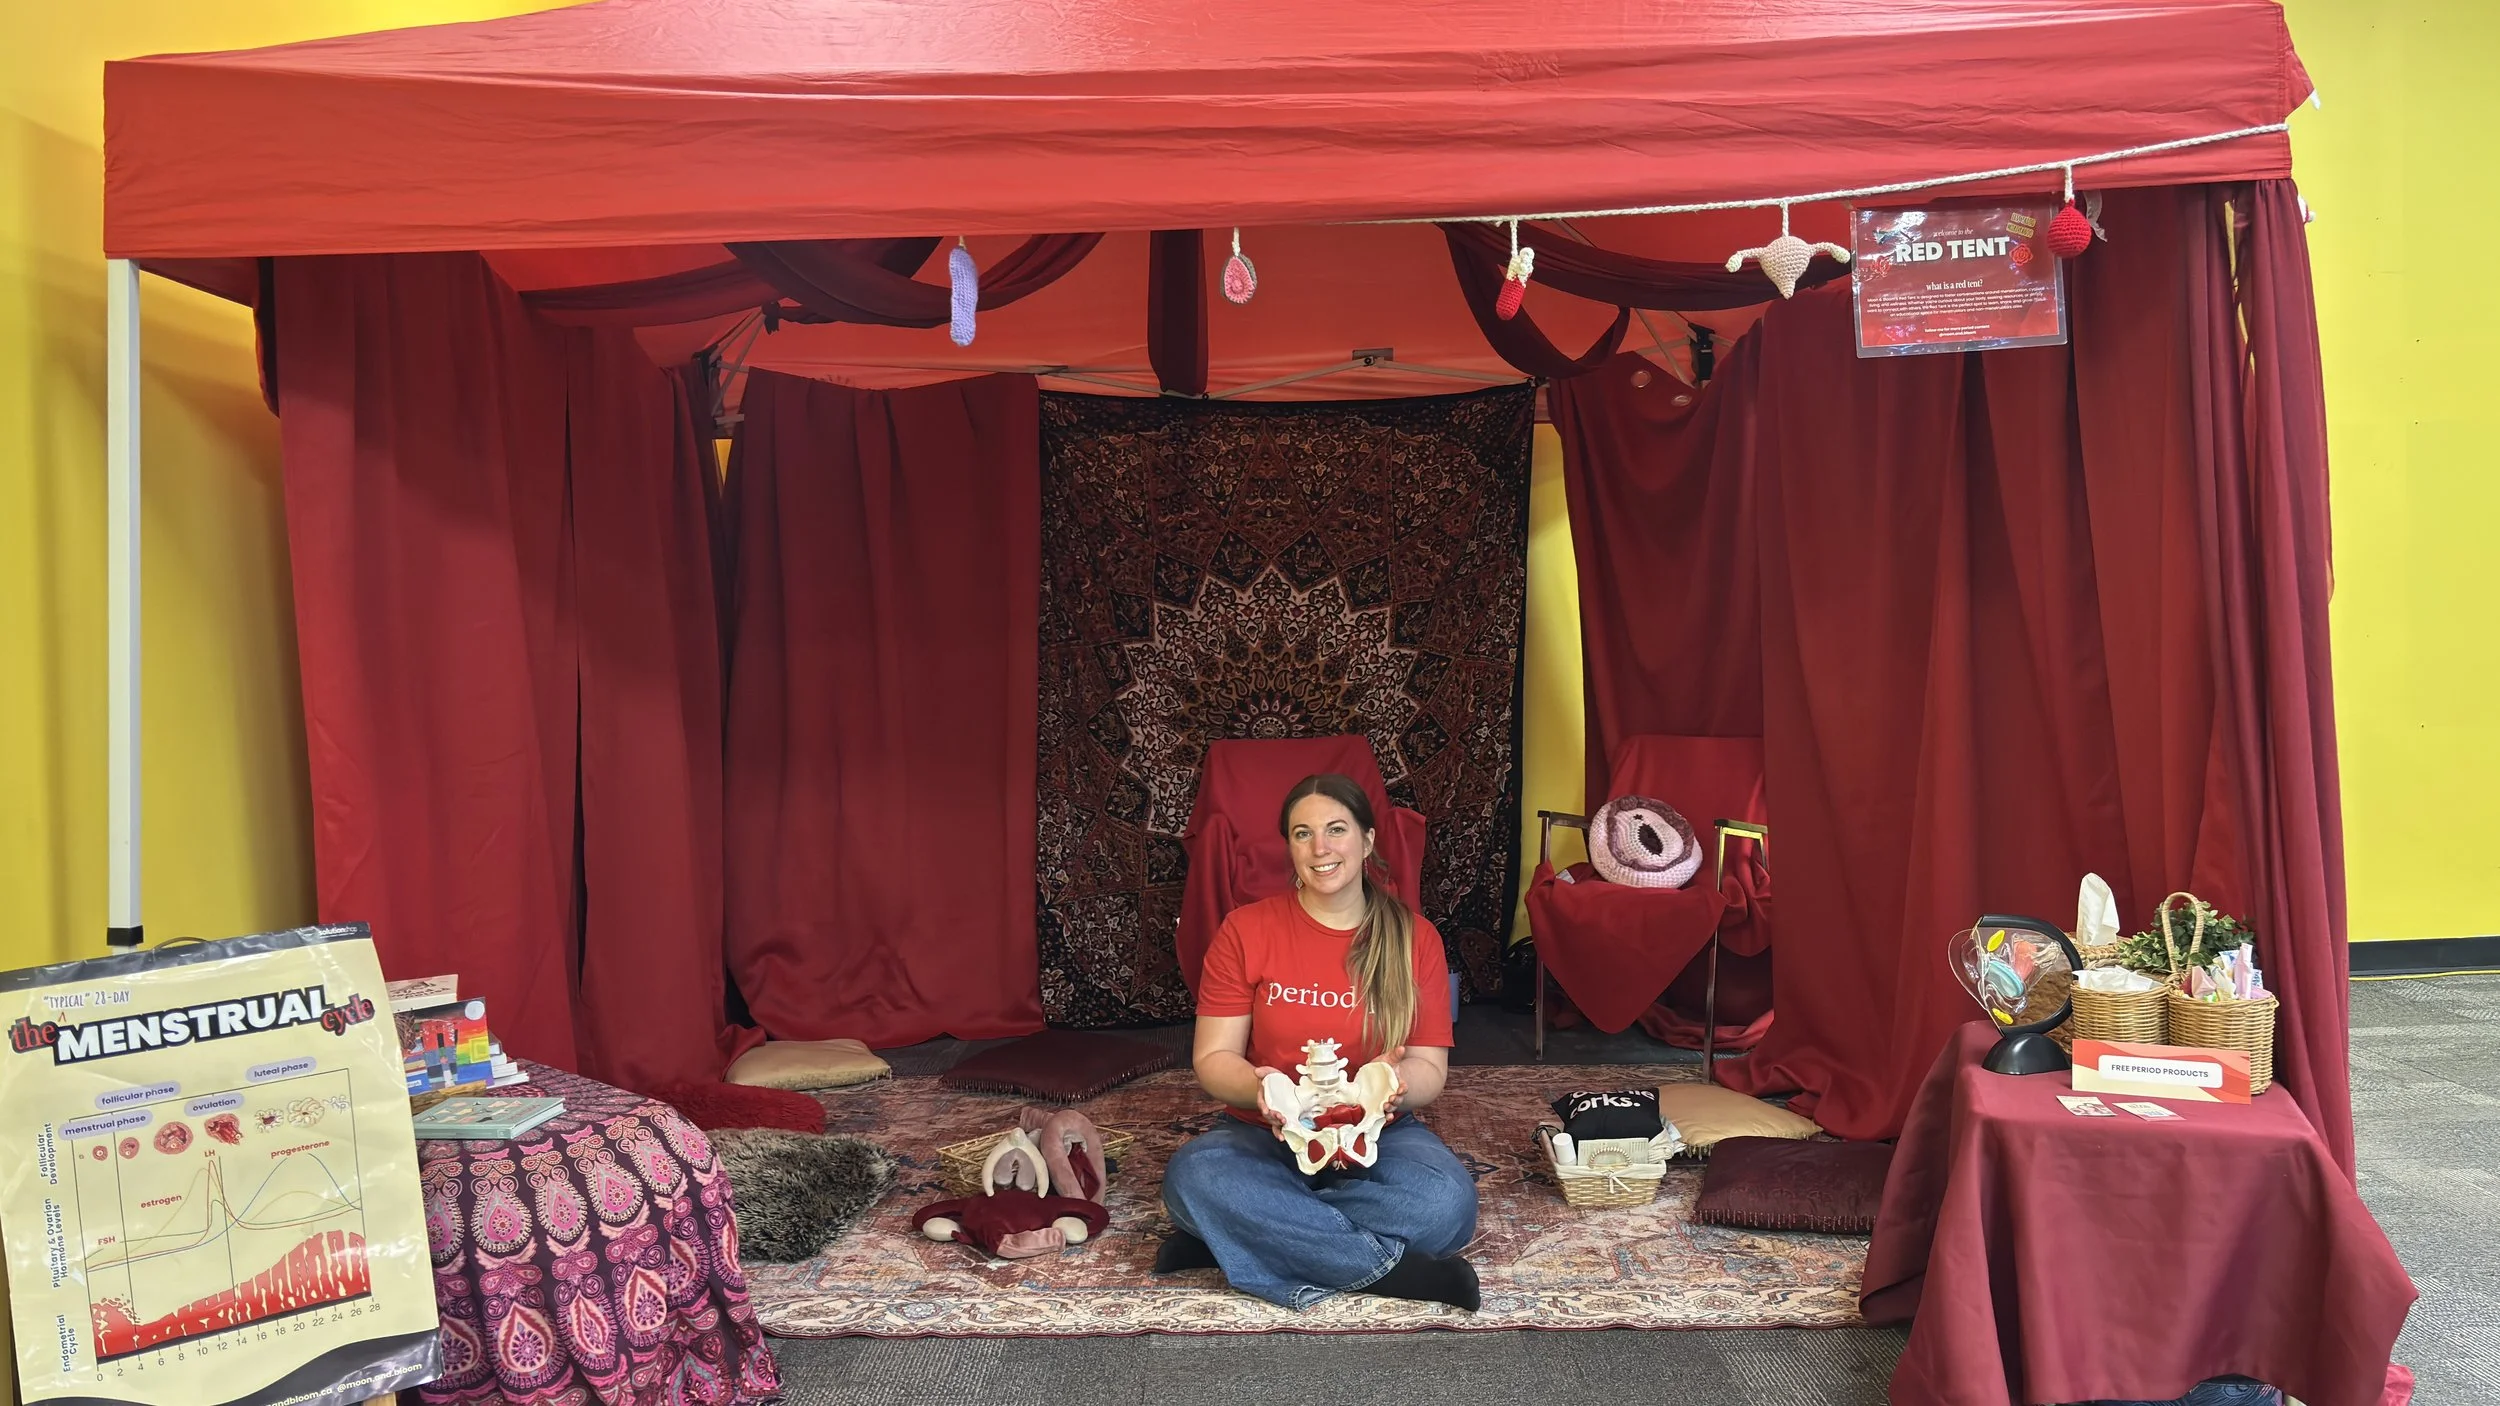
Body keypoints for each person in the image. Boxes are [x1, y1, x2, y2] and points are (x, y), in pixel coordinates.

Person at [1153, 772, 1480, 1311]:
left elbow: (1429, 1068)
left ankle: (1248, 1232)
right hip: (1267, 1135)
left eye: (1336, 829)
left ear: (1367, 840)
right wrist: (1260, 1088)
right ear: (1288, 846)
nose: (1320, 847)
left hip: (1378, 1137)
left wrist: (1389, 1087)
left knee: (1446, 1205)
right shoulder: (1246, 929)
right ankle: (1388, 1271)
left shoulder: (1413, 937)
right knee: (1194, 1177)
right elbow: (1213, 1059)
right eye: (1302, 833)